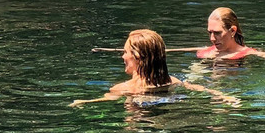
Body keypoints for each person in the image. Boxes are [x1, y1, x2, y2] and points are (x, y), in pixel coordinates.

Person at [71, 29, 239, 107]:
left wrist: (83, 102)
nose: (122, 56)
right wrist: (225, 96)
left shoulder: (124, 88)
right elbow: (200, 88)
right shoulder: (172, 81)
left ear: (138, 57)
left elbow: (107, 99)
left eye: (125, 52)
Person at [194, 7, 265, 71]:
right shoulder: (208, 52)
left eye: (217, 33)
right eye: (210, 32)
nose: (212, 38)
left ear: (232, 31)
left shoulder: (246, 53)